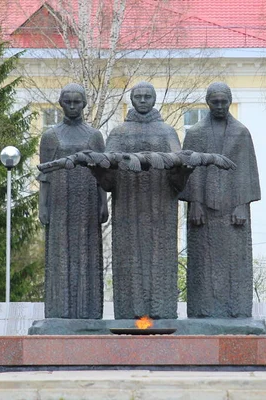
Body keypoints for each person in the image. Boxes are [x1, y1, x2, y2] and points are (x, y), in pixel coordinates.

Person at [96, 82, 188, 319]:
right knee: (130, 258)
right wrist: (97, 169)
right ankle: (129, 312)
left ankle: (162, 310)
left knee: (161, 256)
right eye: (138, 96)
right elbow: (107, 174)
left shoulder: (167, 132)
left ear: (154, 99)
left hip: (161, 207)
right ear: (132, 99)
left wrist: (183, 169)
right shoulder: (119, 133)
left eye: (148, 96)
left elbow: (178, 169)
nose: (143, 100)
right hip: (128, 206)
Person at [179, 82, 261, 318]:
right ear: (207, 102)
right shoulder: (195, 133)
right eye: (215, 102)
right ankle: (202, 313)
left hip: (233, 211)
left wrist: (242, 205)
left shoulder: (241, 132)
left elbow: (247, 170)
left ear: (230, 101)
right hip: (203, 211)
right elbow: (189, 170)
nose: (220, 106)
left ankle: (236, 311)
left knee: (235, 263)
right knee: (204, 263)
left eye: (224, 101)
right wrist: (194, 202)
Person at [38, 83, 108, 319]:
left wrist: (103, 203)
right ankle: (60, 310)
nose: (72, 106)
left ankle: (87, 310)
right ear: (60, 103)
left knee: (86, 252)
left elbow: (102, 175)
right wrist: (43, 205)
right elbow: (44, 175)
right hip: (60, 200)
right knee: (61, 253)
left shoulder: (95, 136)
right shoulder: (50, 136)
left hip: (87, 201)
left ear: (84, 103)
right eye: (67, 101)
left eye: (77, 102)